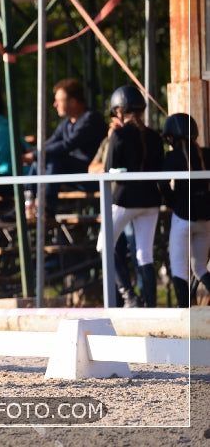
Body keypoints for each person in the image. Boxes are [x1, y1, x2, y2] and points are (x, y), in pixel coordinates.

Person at [95, 86, 164, 307]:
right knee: (145, 255)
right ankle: (150, 305)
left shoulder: (119, 135)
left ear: (118, 111)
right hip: (151, 201)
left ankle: (129, 296)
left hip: (124, 199)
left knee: (103, 247)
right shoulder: (154, 137)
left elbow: (108, 168)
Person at [24, 78, 107, 214]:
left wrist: (34, 154)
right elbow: (52, 142)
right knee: (43, 157)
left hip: (92, 175)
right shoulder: (67, 123)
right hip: (74, 174)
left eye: (59, 100)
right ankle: (28, 203)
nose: (55, 104)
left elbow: (67, 145)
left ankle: (46, 206)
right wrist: (34, 153)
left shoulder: (90, 119)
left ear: (73, 101)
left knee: (53, 158)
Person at [90, 116, 141, 307]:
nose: (116, 125)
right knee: (110, 249)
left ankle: (140, 298)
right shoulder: (107, 140)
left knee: (139, 252)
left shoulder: (133, 138)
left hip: (130, 202)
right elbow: (92, 168)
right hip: (113, 202)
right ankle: (127, 298)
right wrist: (110, 154)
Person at [161, 113, 210, 307]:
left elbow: (163, 185)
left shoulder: (173, 157)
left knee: (179, 269)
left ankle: (184, 313)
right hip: (205, 219)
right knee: (199, 268)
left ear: (171, 137)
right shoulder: (206, 153)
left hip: (183, 217)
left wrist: (174, 202)